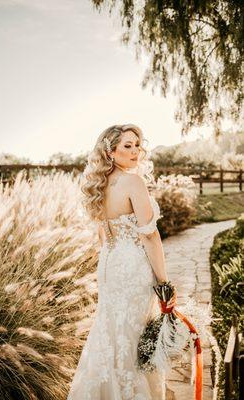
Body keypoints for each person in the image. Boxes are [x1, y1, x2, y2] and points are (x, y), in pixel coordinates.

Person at [67, 124, 177, 400]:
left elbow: (103, 235)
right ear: (110, 150)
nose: (134, 150)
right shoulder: (133, 182)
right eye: (127, 145)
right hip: (132, 266)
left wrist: (112, 259)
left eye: (137, 144)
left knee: (111, 329)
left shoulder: (99, 185)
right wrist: (164, 282)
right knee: (133, 332)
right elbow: (150, 236)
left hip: (110, 264)